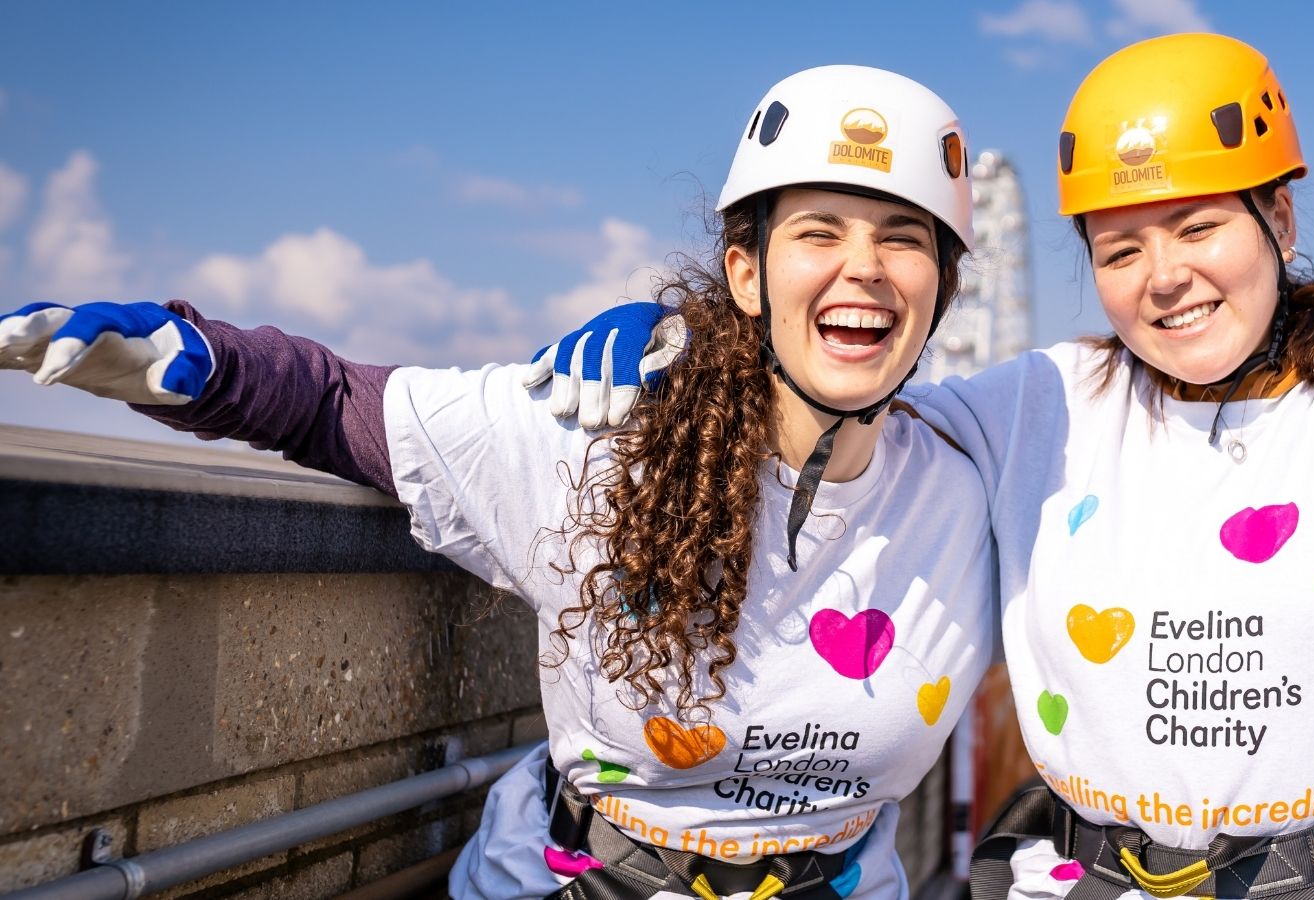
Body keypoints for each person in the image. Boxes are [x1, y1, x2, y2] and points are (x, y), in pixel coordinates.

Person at [534, 2, 1314, 895]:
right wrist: (693, 341)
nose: (1165, 276)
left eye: (1200, 226)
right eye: (1120, 248)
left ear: (1280, 220)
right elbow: (835, 386)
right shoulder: (1039, 405)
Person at [0, 66, 996, 900]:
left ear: (942, 288)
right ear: (746, 274)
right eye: (819, 230)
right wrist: (203, 364)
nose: (864, 267)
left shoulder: (971, 489)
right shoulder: (602, 433)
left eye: (902, 238)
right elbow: (337, 404)